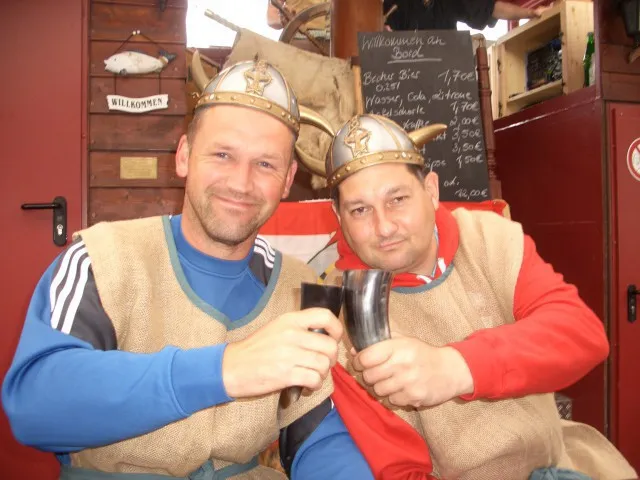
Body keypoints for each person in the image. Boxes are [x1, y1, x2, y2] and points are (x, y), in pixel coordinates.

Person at [1, 60, 351, 479]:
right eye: (222, 155)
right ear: (184, 156)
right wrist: (223, 370)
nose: (241, 183)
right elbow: (35, 405)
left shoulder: (303, 287)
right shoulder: (101, 260)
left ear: (288, 178)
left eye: (265, 164)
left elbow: (318, 432)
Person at [284, 114, 638, 479]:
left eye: (398, 199)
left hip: (559, 460)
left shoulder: (490, 238)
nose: (384, 226)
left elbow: (581, 333)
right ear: (338, 216)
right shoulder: (335, 318)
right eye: (360, 210)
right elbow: (395, 467)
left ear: (431, 190)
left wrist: (456, 367)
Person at [383, 0, 550, 31]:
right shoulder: (395, 5)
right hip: (404, 83)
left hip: (445, 82)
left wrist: (531, 13)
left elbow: (491, 8)